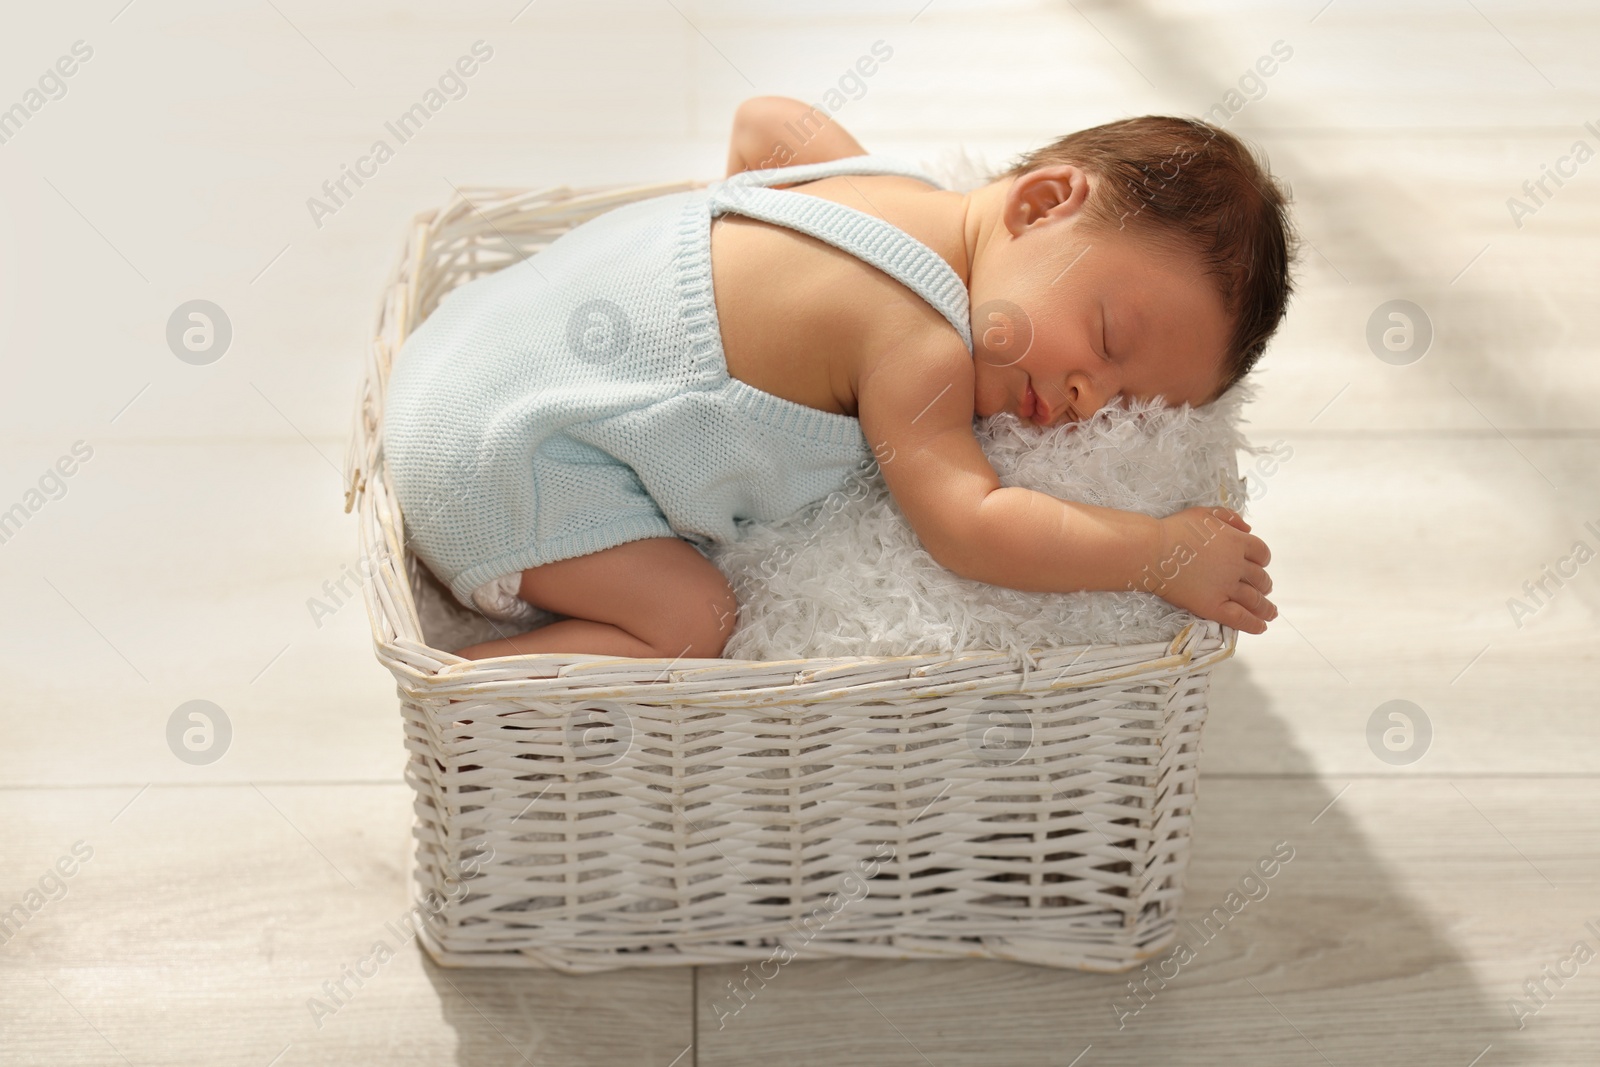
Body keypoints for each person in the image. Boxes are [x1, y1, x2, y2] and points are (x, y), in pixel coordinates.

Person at [381, 96, 1297, 661]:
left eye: (1131, 405)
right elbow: (973, 527)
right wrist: (1156, 550)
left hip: (453, 357)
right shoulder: (919, 346)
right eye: (1108, 338)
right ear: (1042, 202)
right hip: (498, 475)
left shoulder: (874, 175)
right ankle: (481, 686)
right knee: (694, 619)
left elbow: (763, 119)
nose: (1091, 399)